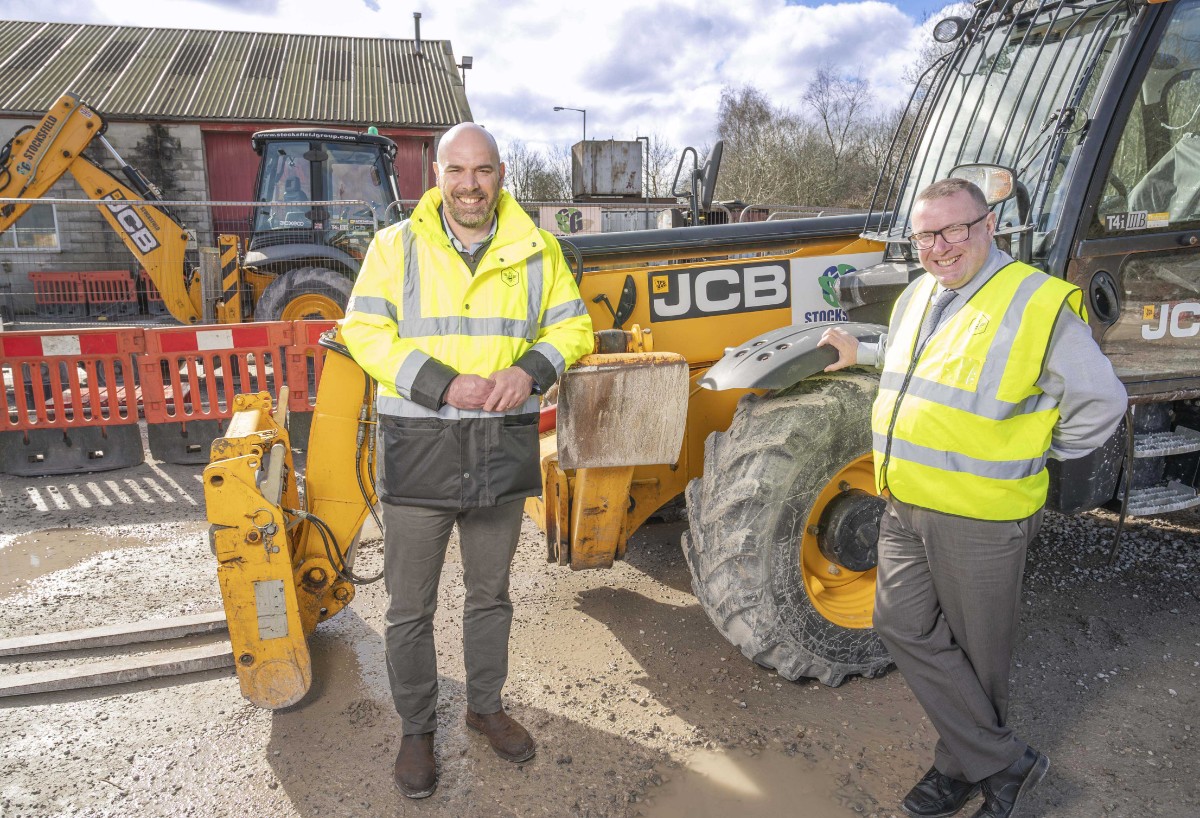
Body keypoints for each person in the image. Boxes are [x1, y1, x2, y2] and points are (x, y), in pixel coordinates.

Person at [818, 178, 1126, 818]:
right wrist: (859, 349)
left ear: (989, 227)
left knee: (979, 657)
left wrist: (1036, 454)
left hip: (982, 515)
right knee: (900, 626)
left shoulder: (1035, 302)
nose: (941, 245)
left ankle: (962, 769)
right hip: (906, 500)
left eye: (955, 228)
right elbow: (921, 363)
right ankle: (1006, 763)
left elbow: (1102, 401)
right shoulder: (919, 295)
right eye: (927, 234)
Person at [341, 122, 594, 799]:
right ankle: (417, 730)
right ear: (437, 175)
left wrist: (532, 369)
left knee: (490, 597)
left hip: (497, 450)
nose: (470, 184)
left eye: (482, 171)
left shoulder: (539, 251)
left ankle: (485, 708)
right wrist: (440, 383)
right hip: (419, 453)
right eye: (457, 170)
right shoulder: (395, 246)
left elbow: (574, 326)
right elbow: (361, 330)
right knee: (409, 608)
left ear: (501, 176)